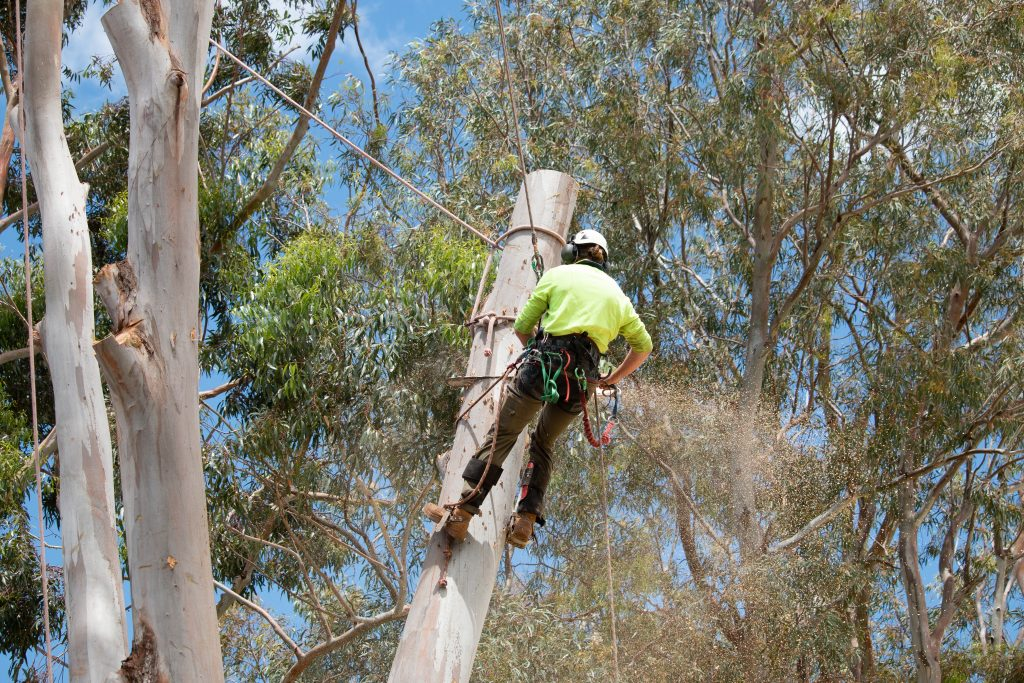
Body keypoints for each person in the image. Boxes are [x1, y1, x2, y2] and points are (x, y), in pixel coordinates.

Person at [426, 229, 652, 547]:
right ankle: (525, 522)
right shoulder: (618, 296)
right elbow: (643, 347)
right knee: (544, 443)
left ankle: (462, 512)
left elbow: (521, 328)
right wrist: (611, 378)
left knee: (503, 434)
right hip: (581, 381)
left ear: (573, 252)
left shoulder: (557, 276)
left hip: (543, 366)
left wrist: (537, 347)